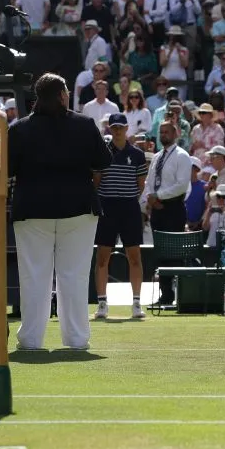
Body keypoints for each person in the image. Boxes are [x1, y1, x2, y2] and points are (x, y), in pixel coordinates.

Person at [8, 73, 111, 350]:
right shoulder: (85, 124)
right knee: (75, 276)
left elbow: (5, 170)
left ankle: (30, 340)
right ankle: (77, 339)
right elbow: (104, 161)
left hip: (32, 211)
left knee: (33, 276)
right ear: (63, 95)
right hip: (77, 210)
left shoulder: (19, 129)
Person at [93, 113, 149, 320]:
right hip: (107, 207)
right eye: (114, 127)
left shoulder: (137, 154)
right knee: (102, 258)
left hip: (129, 208)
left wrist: (126, 198)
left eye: (121, 127)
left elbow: (140, 185)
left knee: (135, 257)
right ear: (109, 128)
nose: (117, 130)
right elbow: (96, 182)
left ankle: (136, 304)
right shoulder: (101, 153)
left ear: (127, 129)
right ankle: (101, 304)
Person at [142, 120, 192, 231]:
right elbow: (149, 181)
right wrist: (151, 199)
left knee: (173, 247)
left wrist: (158, 195)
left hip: (173, 208)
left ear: (175, 134)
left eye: (166, 132)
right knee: (158, 247)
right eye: (161, 132)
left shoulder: (182, 155)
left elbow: (182, 186)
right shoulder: (156, 156)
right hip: (156, 209)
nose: (163, 135)